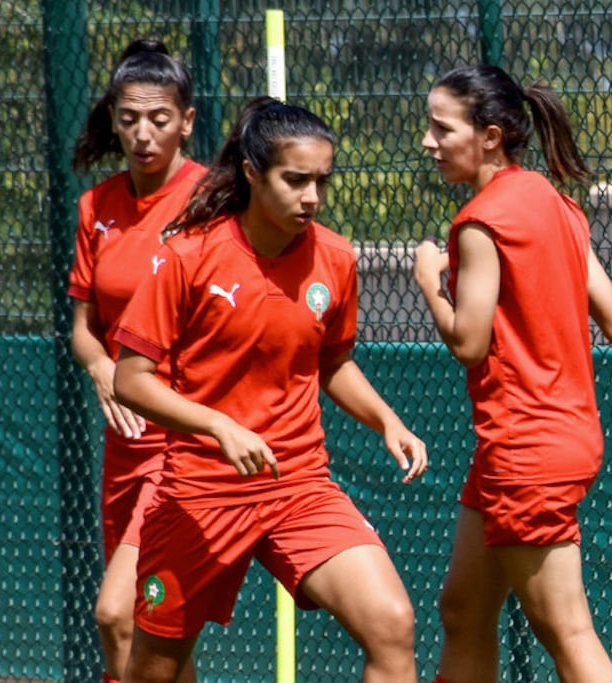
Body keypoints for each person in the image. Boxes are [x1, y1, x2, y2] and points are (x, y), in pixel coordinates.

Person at [112, 97, 428, 683]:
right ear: (253, 174)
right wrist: (219, 426)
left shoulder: (335, 258)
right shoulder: (188, 255)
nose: (312, 197)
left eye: (322, 182)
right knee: (155, 668)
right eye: (296, 180)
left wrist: (388, 421)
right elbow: (130, 380)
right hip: (199, 492)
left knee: (391, 624)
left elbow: (333, 363)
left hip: (297, 483)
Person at [412, 64, 612, 683]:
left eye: (440, 128)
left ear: (489, 136)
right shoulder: (556, 204)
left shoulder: (479, 224)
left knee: (567, 635)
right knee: (462, 610)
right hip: (544, 442)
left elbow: (467, 341)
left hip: (526, 447)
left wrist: (430, 283)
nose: (427, 142)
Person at [68, 38, 206, 683]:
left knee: (116, 614)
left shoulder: (215, 201)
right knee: (161, 638)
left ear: (186, 120)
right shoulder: (96, 208)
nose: (143, 133)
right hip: (123, 447)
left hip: (185, 443)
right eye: (129, 119)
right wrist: (101, 367)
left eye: (158, 118)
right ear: (113, 119)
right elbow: (84, 330)